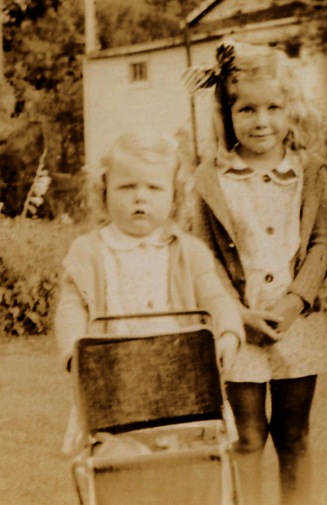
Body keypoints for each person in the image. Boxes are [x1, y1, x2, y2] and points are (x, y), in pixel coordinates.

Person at [188, 40, 327, 505]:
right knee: (247, 437)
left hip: (297, 324)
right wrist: (236, 314)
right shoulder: (211, 176)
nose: (261, 120)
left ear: (291, 108)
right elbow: (202, 254)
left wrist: (296, 301)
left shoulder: (309, 171)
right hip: (240, 328)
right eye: (246, 109)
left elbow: (321, 243)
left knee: (294, 437)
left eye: (274, 107)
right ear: (227, 113)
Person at [54, 131, 244, 451]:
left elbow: (215, 298)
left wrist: (228, 333)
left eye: (154, 187)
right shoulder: (88, 252)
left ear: (174, 196)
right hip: (114, 385)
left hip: (181, 384)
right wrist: (76, 351)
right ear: (104, 193)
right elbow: (72, 306)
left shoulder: (189, 251)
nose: (140, 197)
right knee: (119, 471)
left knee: (188, 473)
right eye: (127, 187)